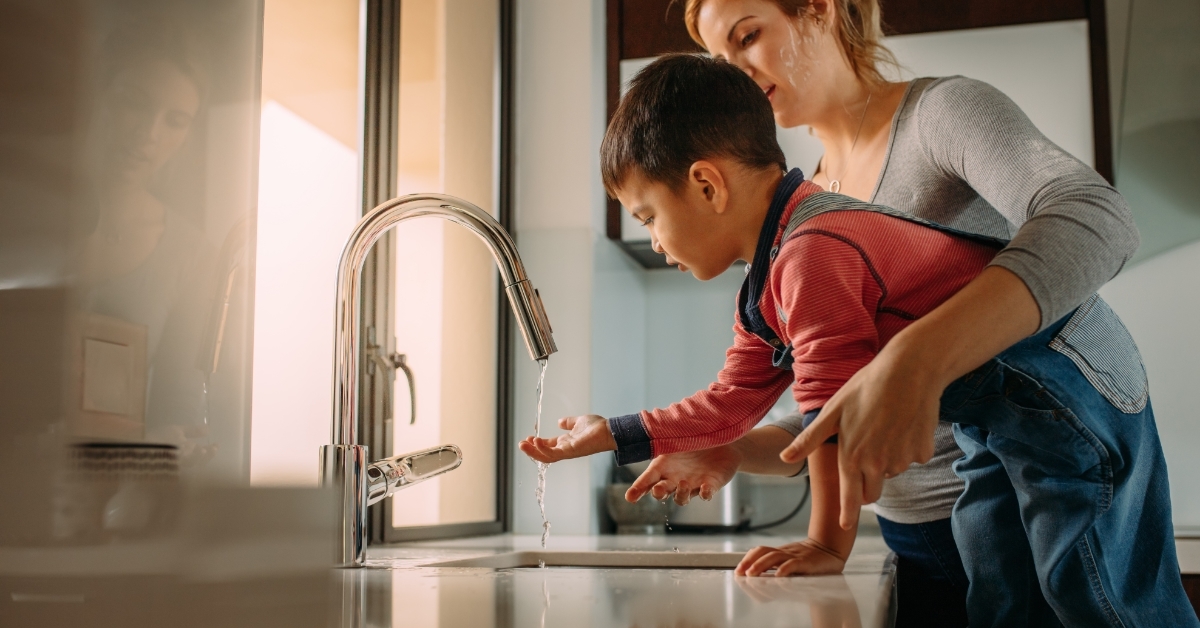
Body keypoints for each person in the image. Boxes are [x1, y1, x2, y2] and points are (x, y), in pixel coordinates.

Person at [519, 53, 1197, 627]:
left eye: (648, 216)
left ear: (705, 183)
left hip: (1063, 385)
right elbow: (732, 402)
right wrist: (612, 433)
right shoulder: (771, 274)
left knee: (1096, 593)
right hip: (993, 414)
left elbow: (829, 417)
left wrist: (825, 543)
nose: (655, 239)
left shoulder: (812, 250)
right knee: (1000, 590)